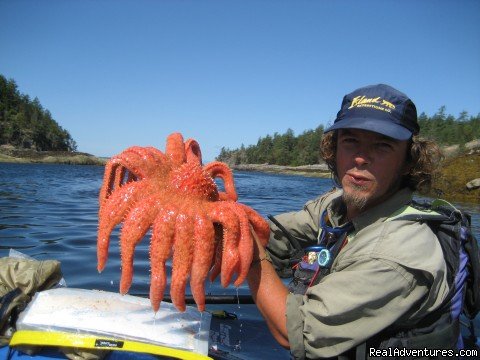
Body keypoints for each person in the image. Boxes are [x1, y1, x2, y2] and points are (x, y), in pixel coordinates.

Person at [246, 84, 450, 359]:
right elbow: (271, 236)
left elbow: (295, 332)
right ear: (335, 149)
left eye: (382, 146)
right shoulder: (334, 207)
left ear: (408, 162)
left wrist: (250, 255)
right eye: (350, 141)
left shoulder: (397, 253)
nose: (360, 158)